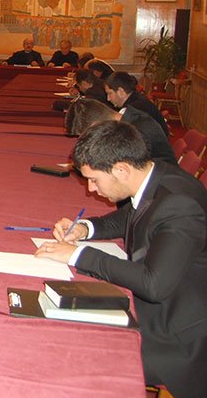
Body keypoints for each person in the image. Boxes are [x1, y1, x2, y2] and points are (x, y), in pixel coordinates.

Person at [35, 121, 207, 397]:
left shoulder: (180, 205)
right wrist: (86, 229)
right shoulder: (154, 175)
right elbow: (130, 216)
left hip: (176, 336)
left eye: (94, 180)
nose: (91, 189)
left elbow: (153, 285)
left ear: (121, 170)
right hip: (161, 307)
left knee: (72, 352)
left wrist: (78, 254)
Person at [65, 98, 176, 165]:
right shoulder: (130, 117)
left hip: (160, 189)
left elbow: (114, 166)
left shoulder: (134, 131)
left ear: (95, 126)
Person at [105, 71, 170, 138]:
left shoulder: (130, 110)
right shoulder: (140, 100)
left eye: (109, 93)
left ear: (121, 91)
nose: (108, 99)